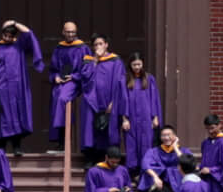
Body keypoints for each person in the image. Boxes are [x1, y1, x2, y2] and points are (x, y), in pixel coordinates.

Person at [0, 19, 42, 155]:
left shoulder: (19, 46)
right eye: (5, 35)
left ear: (14, 36)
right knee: (3, 116)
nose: (7, 38)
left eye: (10, 36)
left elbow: (28, 33)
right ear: (2, 34)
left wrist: (14, 24)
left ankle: (17, 147)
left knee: (17, 114)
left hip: (18, 86)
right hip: (2, 86)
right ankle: (1, 146)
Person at [71, 34, 126, 164]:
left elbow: (120, 83)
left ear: (106, 44)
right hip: (91, 101)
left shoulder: (115, 61)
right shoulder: (88, 60)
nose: (98, 47)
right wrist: (95, 60)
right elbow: (84, 78)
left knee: (108, 130)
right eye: (95, 45)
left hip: (108, 102)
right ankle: (89, 158)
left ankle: (106, 159)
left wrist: (114, 102)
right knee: (89, 129)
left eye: (101, 44)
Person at [46, 22, 89, 150]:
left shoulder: (82, 48)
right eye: (68, 32)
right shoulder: (59, 48)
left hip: (76, 81)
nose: (70, 35)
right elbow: (52, 70)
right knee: (55, 96)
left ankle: (67, 138)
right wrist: (56, 77)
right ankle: (59, 140)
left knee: (62, 99)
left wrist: (75, 77)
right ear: (63, 32)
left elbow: (88, 69)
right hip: (62, 81)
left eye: (73, 32)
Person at [119, 54, 162, 172]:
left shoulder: (149, 78)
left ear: (143, 64)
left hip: (146, 117)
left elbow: (154, 99)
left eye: (139, 64)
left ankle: (145, 170)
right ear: (130, 65)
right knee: (131, 144)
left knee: (146, 143)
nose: (137, 67)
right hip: (131, 117)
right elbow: (123, 100)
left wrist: (155, 117)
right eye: (134, 65)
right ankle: (133, 171)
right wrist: (125, 119)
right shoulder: (125, 79)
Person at [138, 125, 183, 192]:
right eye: (163, 135)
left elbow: (186, 162)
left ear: (175, 136)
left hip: (175, 183)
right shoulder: (153, 151)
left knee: (174, 172)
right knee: (149, 174)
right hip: (159, 183)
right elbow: (145, 164)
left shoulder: (182, 150)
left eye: (169, 135)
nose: (166, 138)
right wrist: (155, 177)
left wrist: (175, 147)